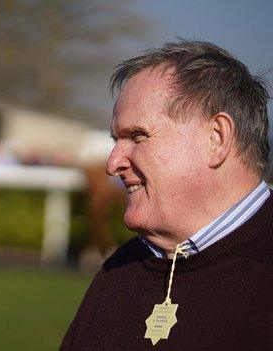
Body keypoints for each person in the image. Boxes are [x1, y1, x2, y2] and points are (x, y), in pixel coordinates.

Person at [61, 39, 272, 350]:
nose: (113, 164)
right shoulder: (120, 268)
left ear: (216, 138)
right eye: (116, 139)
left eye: (138, 135)